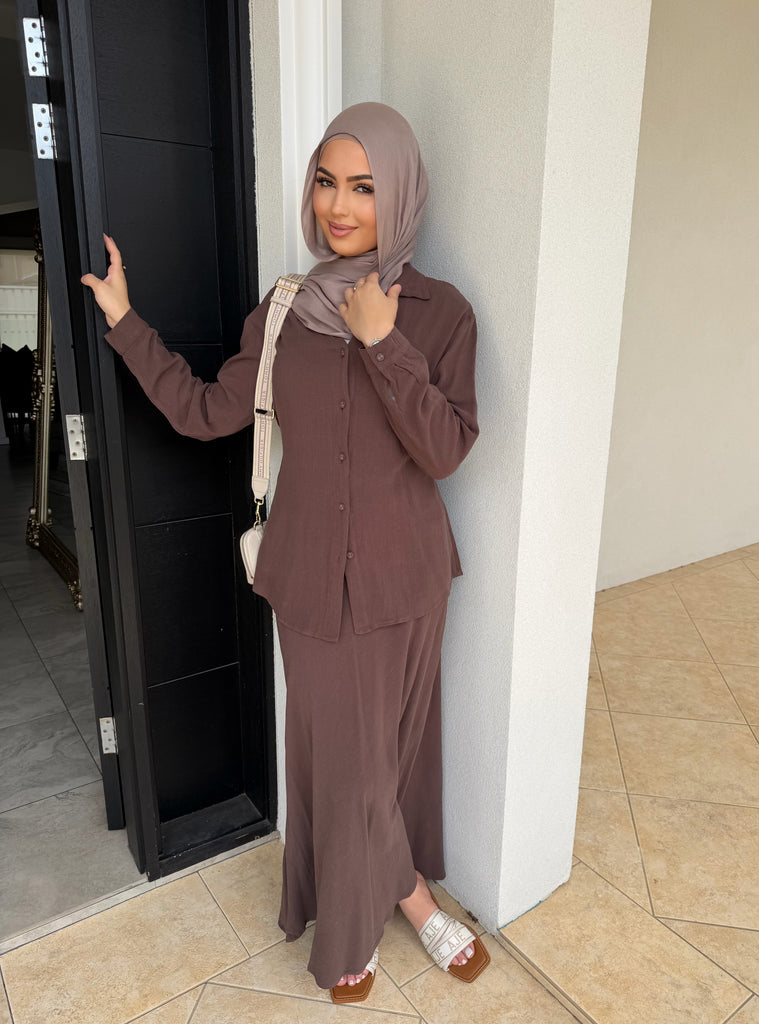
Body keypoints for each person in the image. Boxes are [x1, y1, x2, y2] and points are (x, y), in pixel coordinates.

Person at [81, 102, 487, 1002]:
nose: (338, 206)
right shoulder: (285, 311)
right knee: (346, 764)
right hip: (308, 580)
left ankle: (402, 889)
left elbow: (447, 449)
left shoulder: (441, 313)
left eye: (364, 187)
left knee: (392, 755)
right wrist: (125, 320)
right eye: (326, 182)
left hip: (411, 576)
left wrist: (383, 343)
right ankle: (395, 908)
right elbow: (204, 412)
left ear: (401, 193)